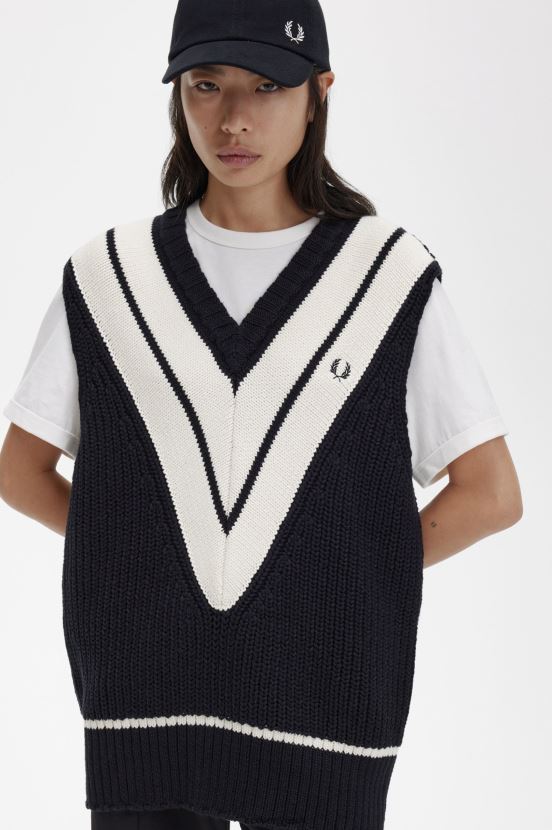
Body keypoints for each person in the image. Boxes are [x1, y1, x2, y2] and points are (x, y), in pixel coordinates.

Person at [0, 0, 523, 828]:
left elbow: (491, 493)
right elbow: (20, 470)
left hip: (327, 706)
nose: (234, 118)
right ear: (178, 94)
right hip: (147, 702)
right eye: (206, 85)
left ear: (319, 93)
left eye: (268, 85)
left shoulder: (387, 278)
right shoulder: (109, 276)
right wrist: (141, 557)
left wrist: (344, 573)